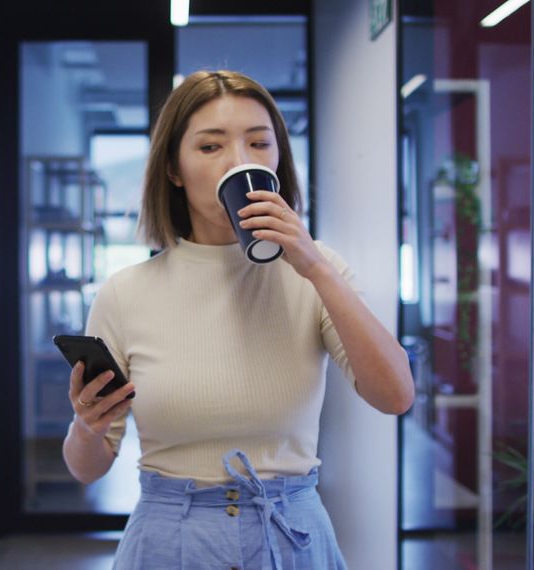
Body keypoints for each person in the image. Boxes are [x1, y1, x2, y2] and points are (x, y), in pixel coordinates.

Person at [62, 70, 415, 570]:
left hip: (291, 534)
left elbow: (395, 395)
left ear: (278, 159)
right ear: (174, 169)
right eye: (211, 147)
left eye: (259, 142)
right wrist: (86, 427)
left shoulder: (318, 273)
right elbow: (86, 469)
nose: (241, 162)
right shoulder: (125, 293)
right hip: (169, 538)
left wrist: (313, 265)